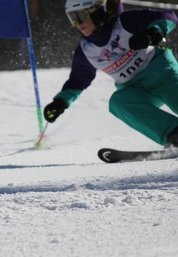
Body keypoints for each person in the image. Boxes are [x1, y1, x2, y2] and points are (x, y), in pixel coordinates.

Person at [43, 0, 178, 147]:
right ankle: (173, 135)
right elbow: (78, 80)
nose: (78, 24)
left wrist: (152, 33)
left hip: (163, 76)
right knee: (118, 102)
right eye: (72, 18)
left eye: (81, 16)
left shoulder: (124, 23)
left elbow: (168, 17)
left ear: (97, 12)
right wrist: (60, 102)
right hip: (136, 89)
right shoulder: (86, 50)